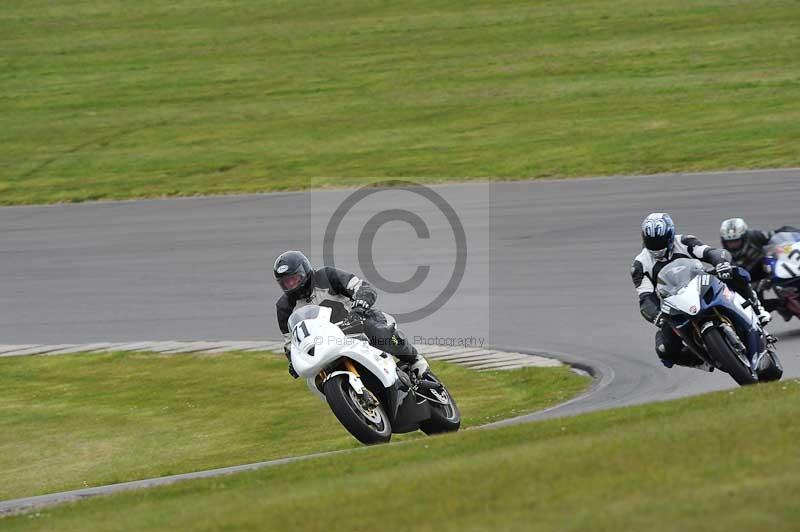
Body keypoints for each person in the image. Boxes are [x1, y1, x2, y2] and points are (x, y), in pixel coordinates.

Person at [631, 213, 771, 370]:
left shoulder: (684, 241)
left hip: (701, 282)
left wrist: (721, 263)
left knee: (736, 273)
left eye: (660, 242)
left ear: (670, 235)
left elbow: (712, 252)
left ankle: (758, 310)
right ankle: (700, 361)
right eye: (652, 242)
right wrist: (657, 316)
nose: (657, 247)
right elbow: (645, 298)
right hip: (673, 304)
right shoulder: (640, 265)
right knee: (664, 350)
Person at [273, 250, 428, 378]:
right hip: (326, 343)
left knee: (377, 332)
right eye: (286, 282)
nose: (291, 285)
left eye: (294, 279)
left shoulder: (326, 276)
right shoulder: (284, 307)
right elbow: (290, 341)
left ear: (305, 271)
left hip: (356, 321)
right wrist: (293, 361)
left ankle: (415, 360)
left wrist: (361, 304)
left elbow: (361, 287)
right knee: (316, 374)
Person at [720, 218, 800, 320]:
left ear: (744, 237)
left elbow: (778, 233)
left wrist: (795, 234)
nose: (733, 245)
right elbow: (736, 285)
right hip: (750, 279)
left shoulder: (755, 236)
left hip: (765, 266)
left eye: (736, 241)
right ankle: (782, 305)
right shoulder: (726, 257)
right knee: (752, 304)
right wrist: (757, 285)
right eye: (729, 242)